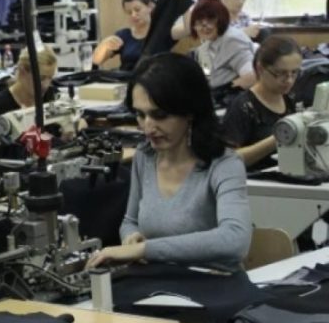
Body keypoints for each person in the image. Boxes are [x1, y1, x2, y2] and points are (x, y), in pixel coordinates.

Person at [87, 52, 251, 272]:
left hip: (216, 283)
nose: (148, 127)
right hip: (157, 279)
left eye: (160, 115)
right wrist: (131, 238)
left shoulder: (224, 165)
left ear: (190, 112)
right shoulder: (144, 157)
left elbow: (235, 240)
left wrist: (144, 250)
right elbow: (130, 221)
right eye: (140, 115)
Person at [222, 36, 302, 170]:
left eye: (294, 72)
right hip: (254, 179)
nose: (289, 80)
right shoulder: (243, 106)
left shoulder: (292, 98)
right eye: (280, 73)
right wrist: (277, 139)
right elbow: (227, 160)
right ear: (260, 69)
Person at [92, 0, 175, 72]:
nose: (133, 15)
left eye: (137, 10)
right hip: (127, 78)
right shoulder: (123, 35)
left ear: (150, 7)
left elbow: (183, 29)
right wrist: (104, 44)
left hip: (154, 78)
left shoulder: (162, 33)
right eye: (129, 12)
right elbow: (96, 60)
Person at [189, 0, 256, 95]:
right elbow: (207, 74)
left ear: (221, 19)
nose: (205, 27)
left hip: (228, 98)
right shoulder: (207, 43)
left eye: (210, 20)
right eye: (199, 22)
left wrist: (224, 91)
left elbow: (252, 77)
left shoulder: (232, 41)